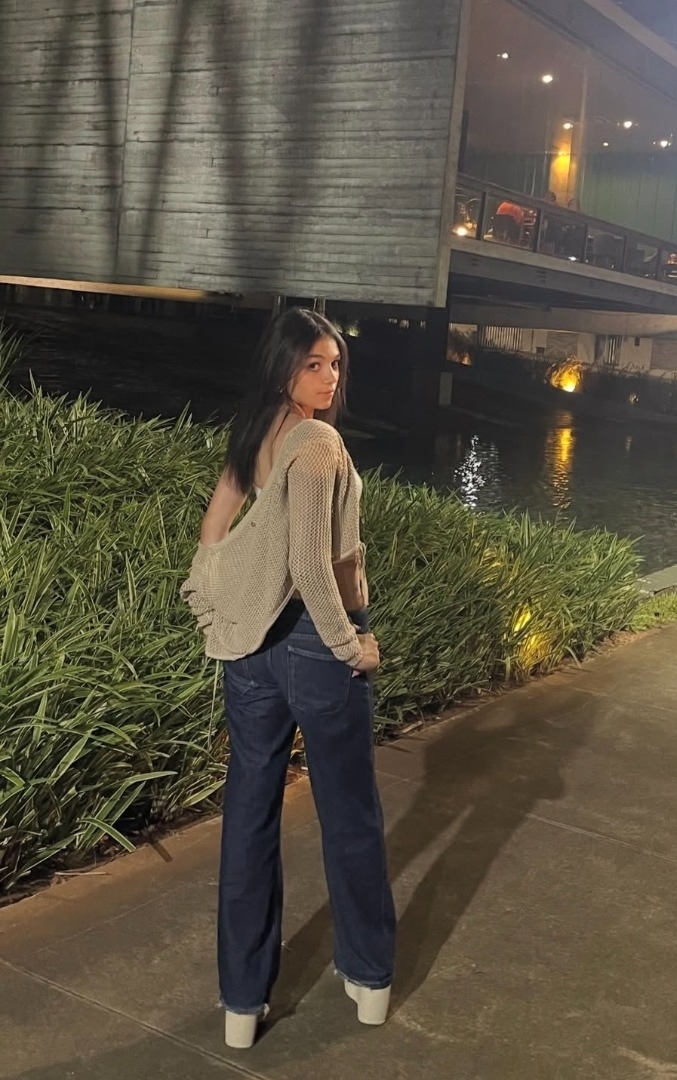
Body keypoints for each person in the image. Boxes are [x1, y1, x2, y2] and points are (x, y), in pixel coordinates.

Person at [181, 308, 396, 1049]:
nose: (329, 378)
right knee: (350, 815)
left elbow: (213, 532)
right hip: (313, 641)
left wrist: (232, 599)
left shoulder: (257, 431)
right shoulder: (316, 443)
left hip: (250, 650)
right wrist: (350, 645)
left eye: (335, 364)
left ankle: (242, 1003)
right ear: (284, 367)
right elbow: (311, 565)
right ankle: (368, 976)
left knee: (248, 817)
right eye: (313, 364)